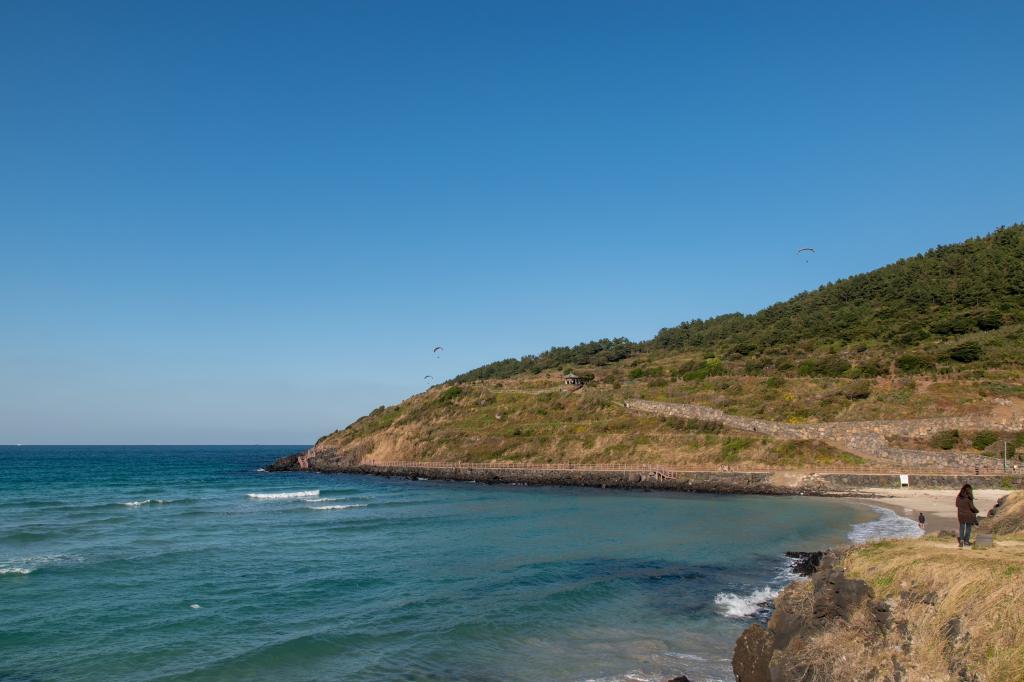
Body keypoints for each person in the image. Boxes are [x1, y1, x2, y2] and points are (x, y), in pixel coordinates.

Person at [956, 484, 979, 548]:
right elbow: (972, 507)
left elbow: (956, 504)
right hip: (968, 515)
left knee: (961, 527)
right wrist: (977, 511)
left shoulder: (959, 496)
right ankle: (966, 541)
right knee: (968, 528)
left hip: (960, 514)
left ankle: (961, 540)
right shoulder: (969, 497)